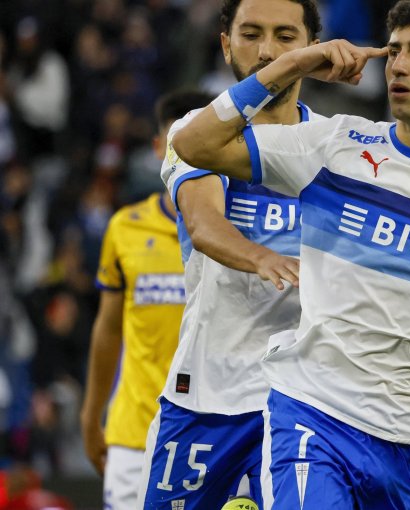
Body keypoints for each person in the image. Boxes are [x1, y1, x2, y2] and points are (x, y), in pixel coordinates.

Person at [170, 1, 410, 508]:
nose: (398, 65)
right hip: (311, 415)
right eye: (394, 52)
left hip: (407, 440)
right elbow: (194, 144)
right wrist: (294, 62)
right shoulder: (336, 147)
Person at [137, 0, 323, 508]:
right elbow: (203, 224)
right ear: (225, 43)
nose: (268, 52)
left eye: (286, 37)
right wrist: (264, 258)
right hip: (207, 394)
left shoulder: (337, 149)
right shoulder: (193, 133)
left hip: (302, 401)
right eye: (251, 34)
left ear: (313, 46)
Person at [80, 89, 211, 510]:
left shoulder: (240, 229)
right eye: (176, 144)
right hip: (134, 435)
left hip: (212, 434)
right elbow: (107, 328)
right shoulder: (125, 227)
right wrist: (91, 412)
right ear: (158, 148)